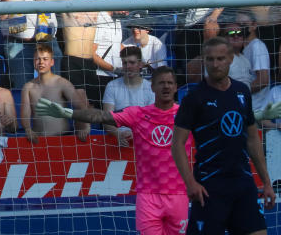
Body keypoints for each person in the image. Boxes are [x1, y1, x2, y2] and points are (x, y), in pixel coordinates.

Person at [37, 66, 188, 235]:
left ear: (176, 87)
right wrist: (68, 113)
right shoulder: (138, 114)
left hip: (179, 194)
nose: (166, 87)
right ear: (152, 87)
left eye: (170, 83)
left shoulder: (188, 115)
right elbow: (101, 116)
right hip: (148, 196)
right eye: (161, 83)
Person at [173, 37, 276, 235]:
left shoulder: (242, 91)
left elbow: (253, 139)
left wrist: (267, 182)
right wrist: (190, 183)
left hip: (243, 183)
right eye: (210, 59)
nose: (215, 64)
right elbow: (177, 144)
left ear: (230, 59)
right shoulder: (194, 98)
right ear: (204, 60)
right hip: (210, 187)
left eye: (220, 58)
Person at [20, 43, 89, 143]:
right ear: (33, 62)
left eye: (45, 59)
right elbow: (25, 113)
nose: (41, 62)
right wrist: (27, 129)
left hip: (63, 138)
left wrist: (85, 127)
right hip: (38, 140)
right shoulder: (28, 87)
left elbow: (81, 106)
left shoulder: (62, 83)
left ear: (52, 62)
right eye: (37, 59)